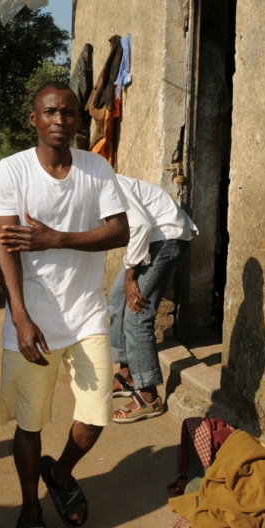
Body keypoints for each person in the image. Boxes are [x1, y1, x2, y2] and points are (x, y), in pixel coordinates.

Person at [0, 82, 129, 528]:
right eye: (50, 111)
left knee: (95, 416)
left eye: (69, 112)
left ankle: (62, 473)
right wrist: (20, 317)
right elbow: (5, 246)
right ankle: (29, 511)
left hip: (86, 315)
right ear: (33, 119)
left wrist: (57, 239)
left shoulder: (97, 168)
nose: (60, 119)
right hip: (33, 321)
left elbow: (119, 230)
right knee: (30, 422)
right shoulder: (13, 171)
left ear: (77, 121)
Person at [108, 174, 198, 423]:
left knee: (138, 314)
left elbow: (140, 226)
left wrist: (130, 276)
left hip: (166, 235)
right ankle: (127, 375)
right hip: (152, 238)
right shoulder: (85, 190)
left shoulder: (102, 184)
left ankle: (149, 396)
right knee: (116, 301)